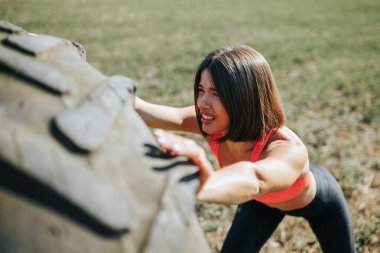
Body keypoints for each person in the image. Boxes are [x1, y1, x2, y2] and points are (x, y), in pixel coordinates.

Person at [135, 45, 355, 252]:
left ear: (244, 97)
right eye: (201, 90)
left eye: (216, 93)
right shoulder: (212, 123)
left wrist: (205, 183)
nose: (203, 102)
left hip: (320, 206)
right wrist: (109, 90)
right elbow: (154, 113)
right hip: (261, 203)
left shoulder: (289, 149)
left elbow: (255, 177)